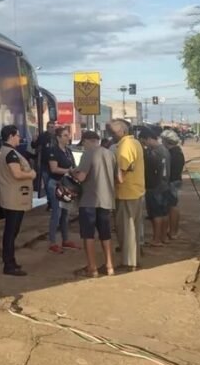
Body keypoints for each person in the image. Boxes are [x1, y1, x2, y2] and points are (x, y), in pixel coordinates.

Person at [71, 130, 117, 277]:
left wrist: (73, 172)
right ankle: (109, 266)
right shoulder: (110, 154)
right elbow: (118, 177)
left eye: (83, 143)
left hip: (89, 200)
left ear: (86, 141)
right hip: (106, 200)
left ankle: (92, 268)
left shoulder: (88, 153)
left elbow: (82, 177)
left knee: (88, 235)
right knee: (105, 234)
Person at [0, 125, 36, 276]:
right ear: (11, 136)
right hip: (14, 198)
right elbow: (17, 174)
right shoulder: (11, 154)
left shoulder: (3, 151)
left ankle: (11, 261)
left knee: (12, 231)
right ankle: (9, 265)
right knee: (11, 231)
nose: (20, 138)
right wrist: (31, 174)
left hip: (11, 197)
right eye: (18, 135)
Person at [111, 119, 145, 271]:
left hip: (127, 193)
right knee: (132, 229)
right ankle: (133, 260)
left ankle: (129, 263)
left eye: (112, 132)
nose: (111, 135)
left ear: (121, 131)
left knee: (127, 230)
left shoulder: (125, 146)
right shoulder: (135, 142)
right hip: (135, 191)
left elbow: (121, 174)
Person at [47, 126, 79, 253]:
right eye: (65, 135)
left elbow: (73, 166)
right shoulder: (53, 151)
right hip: (56, 184)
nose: (68, 137)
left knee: (65, 214)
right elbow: (54, 169)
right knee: (57, 213)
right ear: (58, 138)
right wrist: (69, 171)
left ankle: (65, 240)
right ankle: (52, 242)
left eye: (68, 135)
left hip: (66, 185)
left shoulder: (68, 151)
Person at [140, 127, 170, 247]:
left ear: (148, 139)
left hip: (155, 187)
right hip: (164, 185)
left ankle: (156, 239)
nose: (144, 145)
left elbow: (153, 171)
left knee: (156, 214)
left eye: (144, 142)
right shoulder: (164, 150)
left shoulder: (154, 153)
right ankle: (163, 237)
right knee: (164, 213)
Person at [162, 129, 185, 239]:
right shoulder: (178, 151)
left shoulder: (171, 153)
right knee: (173, 206)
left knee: (172, 207)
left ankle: (173, 232)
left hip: (171, 181)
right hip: (176, 180)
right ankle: (173, 231)